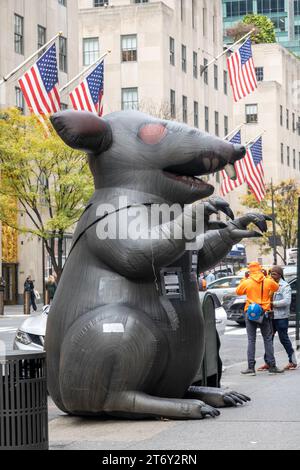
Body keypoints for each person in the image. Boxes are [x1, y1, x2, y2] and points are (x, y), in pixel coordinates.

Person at [236, 261, 284, 375]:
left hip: (251, 313)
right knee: (267, 339)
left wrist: (244, 279)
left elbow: (238, 291)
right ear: (260, 269)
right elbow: (276, 288)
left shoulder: (247, 282)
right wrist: (267, 276)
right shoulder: (267, 281)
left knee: (251, 340)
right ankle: (272, 366)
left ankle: (251, 367)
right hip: (264, 313)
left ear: (250, 271)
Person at [258, 266, 297, 371]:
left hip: (281, 317)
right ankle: (268, 362)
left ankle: (293, 361)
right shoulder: (269, 283)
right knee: (268, 339)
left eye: (274, 274)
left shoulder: (285, 286)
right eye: (271, 273)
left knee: (284, 339)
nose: (272, 275)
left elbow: (287, 301)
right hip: (270, 316)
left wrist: (272, 303)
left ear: (280, 275)